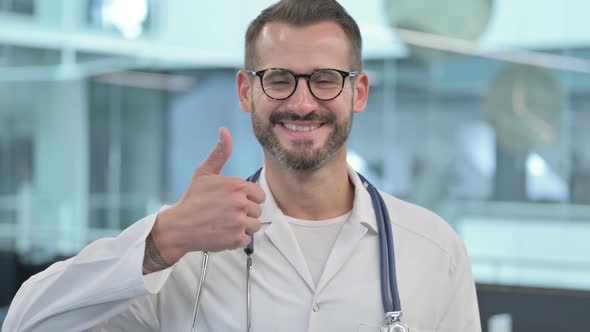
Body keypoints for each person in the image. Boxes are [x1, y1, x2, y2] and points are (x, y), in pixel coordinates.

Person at [3, 0, 481, 331]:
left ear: (357, 92)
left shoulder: (434, 249)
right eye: (277, 79)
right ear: (245, 91)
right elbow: (26, 322)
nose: (301, 101)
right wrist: (162, 240)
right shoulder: (184, 246)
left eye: (324, 79)